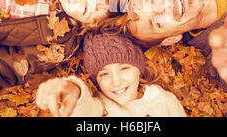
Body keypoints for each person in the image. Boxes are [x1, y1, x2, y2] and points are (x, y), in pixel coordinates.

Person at [35, 32, 186, 117]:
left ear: (139, 69)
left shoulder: (164, 100)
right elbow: (85, 110)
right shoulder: (103, 106)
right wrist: (74, 89)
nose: (116, 82)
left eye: (124, 68)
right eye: (104, 74)